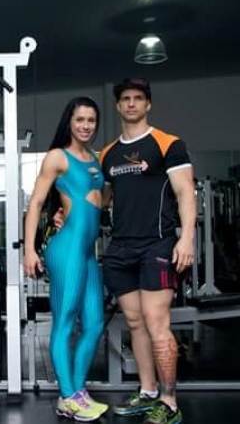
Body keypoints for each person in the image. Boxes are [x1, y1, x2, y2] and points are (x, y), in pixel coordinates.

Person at [98, 78, 195, 424]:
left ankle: (169, 402)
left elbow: (185, 193)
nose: (131, 104)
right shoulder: (108, 154)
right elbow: (103, 199)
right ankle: (148, 391)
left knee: (156, 322)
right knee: (135, 323)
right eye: (125, 98)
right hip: (120, 248)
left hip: (157, 243)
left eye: (138, 98)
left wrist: (187, 238)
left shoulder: (168, 144)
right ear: (118, 105)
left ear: (148, 104)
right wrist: (66, 211)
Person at [23, 97, 109, 422]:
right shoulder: (58, 157)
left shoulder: (96, 159)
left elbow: (101, 200)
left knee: (95, 323)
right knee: (65, 321)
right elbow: (36, 203)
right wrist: (29, 249)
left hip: (87, 252)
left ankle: (76, 392)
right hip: (67, 249)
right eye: (80, 120)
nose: (86, 126)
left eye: (91, 120)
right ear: (69, 122)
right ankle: (69, 395)